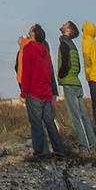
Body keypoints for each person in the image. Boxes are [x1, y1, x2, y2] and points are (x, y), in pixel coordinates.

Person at [19, 23, 65, 160]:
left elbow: (26, 72)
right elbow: (49, 71)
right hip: (46, 92)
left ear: (33, 34)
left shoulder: (28, 49)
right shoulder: (45, 51)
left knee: (36, 123)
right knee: (50, 123)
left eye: (30, 31)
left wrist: (23, 93)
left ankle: (41, 152)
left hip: (34, 92)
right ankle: (59, 151)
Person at [57, 21, 96, 151]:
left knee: (76, 117)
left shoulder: (64, 43)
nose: (62, 25)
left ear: (68, 30)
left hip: (69, 82)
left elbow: (65, 62)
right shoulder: (73, 45)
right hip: (76, 81)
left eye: (65, 24)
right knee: (83, 115)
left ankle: (84, 146)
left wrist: (62, 75)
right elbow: (78, 66)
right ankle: (93, 144)